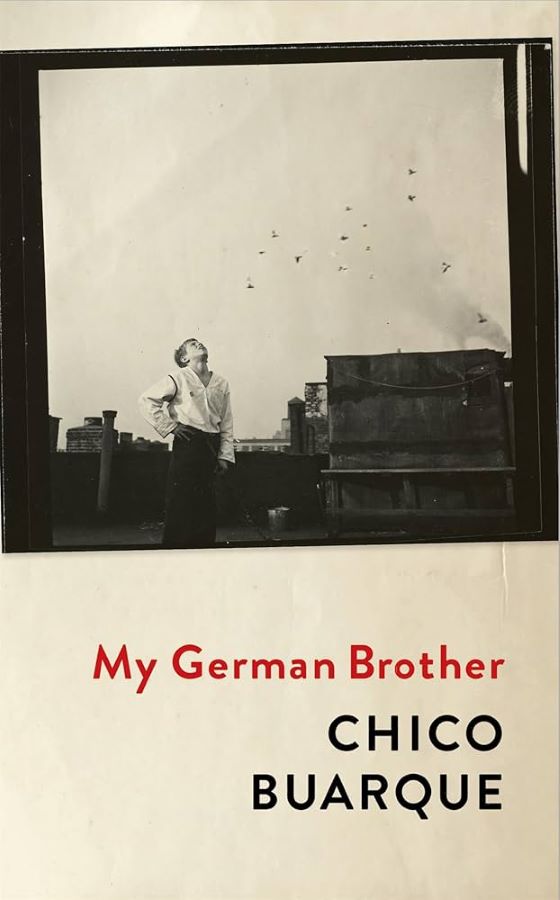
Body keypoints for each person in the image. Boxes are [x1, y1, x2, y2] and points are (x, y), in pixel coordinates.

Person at [138, 338, 234, 548]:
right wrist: (171, 426)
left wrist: (224, 456)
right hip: (189, 444)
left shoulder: (221, 383)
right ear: (184, 358)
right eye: (192, 345)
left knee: (207, 506)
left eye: (199, 342)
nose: (199, 344)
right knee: (181, 503)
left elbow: (226, 422)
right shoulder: (178, 377)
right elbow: (147, 400)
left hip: (212, 446)